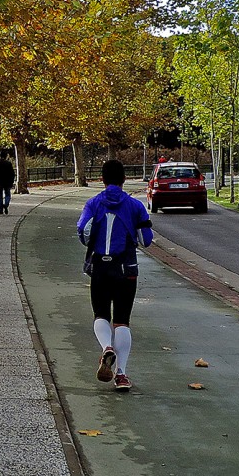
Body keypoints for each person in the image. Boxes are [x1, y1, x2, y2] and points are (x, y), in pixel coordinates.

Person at [76, 159, 153, 391]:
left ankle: (106, 347)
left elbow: (83, 231)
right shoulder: (135, 205)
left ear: (102, 179)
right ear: (124, 179)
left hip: (100, 268)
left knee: (100, 314)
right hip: (126, 269)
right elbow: (146, 240)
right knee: (122, 321)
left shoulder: (93, 203)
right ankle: (121, 374)